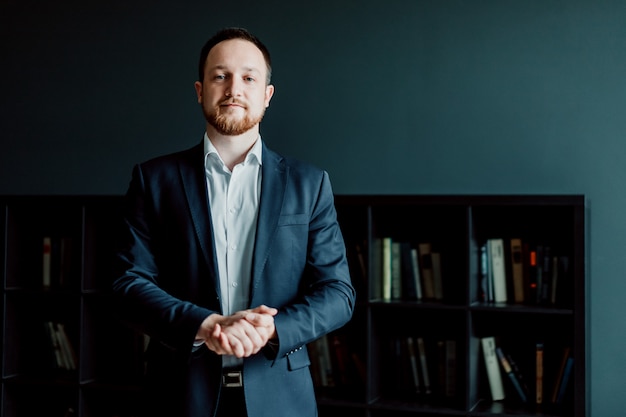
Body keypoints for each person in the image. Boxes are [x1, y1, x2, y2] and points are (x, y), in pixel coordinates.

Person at [111, 27, 356, 417]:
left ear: (267, 95)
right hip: (179, 395)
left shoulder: (309, 184)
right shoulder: (152, 180)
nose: (233, 89)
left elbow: (338, 293)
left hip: (281, 397)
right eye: (220, 76)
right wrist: (204, 325)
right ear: (199, 89)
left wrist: (272, 329)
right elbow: (127, 284)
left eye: (248, 78)